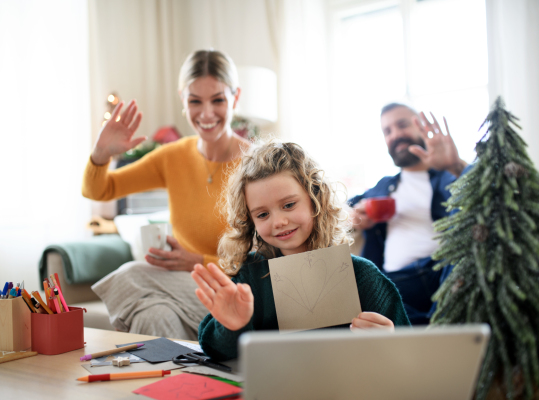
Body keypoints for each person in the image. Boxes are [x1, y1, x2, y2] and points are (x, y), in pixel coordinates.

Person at [82, 50, 251, 340]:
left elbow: (268, 257)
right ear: (183, 101)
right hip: (186, 290)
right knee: (153, 315)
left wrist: (199, 261)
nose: (206, 113)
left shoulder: (255, 163)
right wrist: (101, 153)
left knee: (131, 275)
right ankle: (178, 384)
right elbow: (99, 189)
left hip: (238, 293)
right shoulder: (173, 157)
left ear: (235, 98)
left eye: (218, 100)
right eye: (195, 101)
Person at [192, 140, 410, 361]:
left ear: (315, 200)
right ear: (250, 221)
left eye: (288, 205)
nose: (278, 221)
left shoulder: (362, 276)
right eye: (262, 214)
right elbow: (215, 350)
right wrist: (231, 326)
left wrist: (389, 341)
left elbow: (409, 355)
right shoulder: (249, 275)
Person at [347, 103, 468, 325]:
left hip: (442, 274)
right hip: (396, 283)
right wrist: (354, 216)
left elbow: (486, 198)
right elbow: (340, 209)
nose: (396, 135)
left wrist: (455, 165)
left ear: (421, 128)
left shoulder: (449, 177)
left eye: (402, 125)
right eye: (387, 131)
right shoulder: (384, 186)